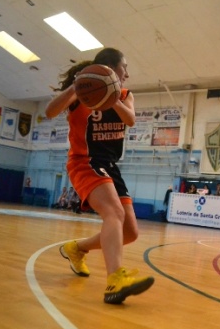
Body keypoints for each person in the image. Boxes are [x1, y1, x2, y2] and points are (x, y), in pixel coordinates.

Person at [45, 47, 154, 304]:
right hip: (84, 162)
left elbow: (130, 120)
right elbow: (49, 112)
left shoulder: (125, 95)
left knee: (130, 233)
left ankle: (77, 248)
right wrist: (75, 88)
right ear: (110, 68)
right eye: (123, 67)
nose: (126, 73)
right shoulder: (81, 94)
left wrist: (112, 96)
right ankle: (115, 280)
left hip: (110, 166)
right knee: (113, 214)